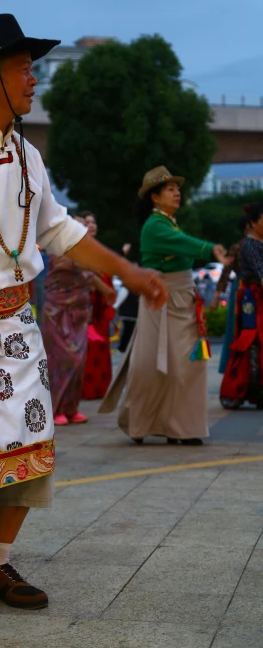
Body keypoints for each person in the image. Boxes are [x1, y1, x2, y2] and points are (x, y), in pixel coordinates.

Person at [0, 14, 167, 621]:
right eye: (23, 67)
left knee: (29, 444)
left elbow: (58, 230)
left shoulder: (26, 153)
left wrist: (126, 273)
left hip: (18, 325)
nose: (32, 79)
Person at [99, 166, 227, 445]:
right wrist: (208, 249)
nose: (177, 193)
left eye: (177, 189)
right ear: (155, 197)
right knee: (166, 366)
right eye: (170, 189)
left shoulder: (167, 222)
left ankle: (175, 426)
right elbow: (181, 244)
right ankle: (158, 424)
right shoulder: (157, 226)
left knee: (179, 365)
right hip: (164, 301)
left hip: (178, 300)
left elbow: (179, 242)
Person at [41, 216, 93, 426]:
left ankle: (71, 408)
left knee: (79, 362)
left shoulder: (82, 251)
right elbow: (72, 265)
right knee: (62, 360)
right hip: (57, 313)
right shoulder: (58, 248)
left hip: (78, 314)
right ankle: (55, 409)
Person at [220, 202, 263, 409]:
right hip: (253, 300)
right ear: (253, 223)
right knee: (252, 342)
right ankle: (251, 388)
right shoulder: (250, 245)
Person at [81, 211, 116, 401]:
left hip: (102, 306)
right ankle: (86, 389)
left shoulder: (100, 248)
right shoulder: (79, 248)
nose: (91, 225)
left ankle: (101, 388)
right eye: (87, 222)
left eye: (93, 222)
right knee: (89, 346)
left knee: (102, 345)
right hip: (87, 304)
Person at [209, 214, 250, 374]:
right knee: (237, 328)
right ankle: (235, 368)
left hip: (254, 288)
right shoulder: (238, 247)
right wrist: (216, 296)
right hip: (241, 289)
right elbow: (226, 272)